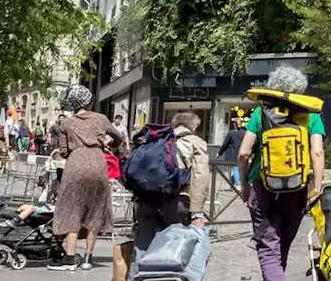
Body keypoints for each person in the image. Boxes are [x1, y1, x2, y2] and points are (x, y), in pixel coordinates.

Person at [236, 67, 326, 281]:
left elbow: (243, 153)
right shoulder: (309, 116)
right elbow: (318, 152)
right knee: (279, 251)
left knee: (268, 250)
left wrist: (243, 186)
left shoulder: (260, 114)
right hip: (297, 192)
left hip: (264, 189)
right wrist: (317, 187)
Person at [50, 85, 126, 271]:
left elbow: (63, 151)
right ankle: (88, 258)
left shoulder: (66, 123)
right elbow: (119, 137)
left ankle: (69, 257)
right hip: (98, 163)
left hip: (75, 164)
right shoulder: (101, 119)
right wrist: (107, 144)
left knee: (72, 208)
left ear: (72, 104)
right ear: (89, 101)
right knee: (96, 209)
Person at [132, 112, 211, 251]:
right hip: (176, 200)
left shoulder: (156, 139)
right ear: (194, 127)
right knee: (175, 251)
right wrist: (197, 212)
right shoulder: (195, 142)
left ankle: (136, 272)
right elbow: (200, 177)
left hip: (145, 200)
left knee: (143, 250)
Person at [218, 114, 247, 186]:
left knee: (235, 168)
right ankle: (234, 184)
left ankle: (237, 184)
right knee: (240, 169)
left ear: (234, 124)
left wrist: (220, 153)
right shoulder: (244, 133)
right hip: (242, 153)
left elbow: (225, 144)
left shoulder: (231, 133)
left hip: (233, 153)